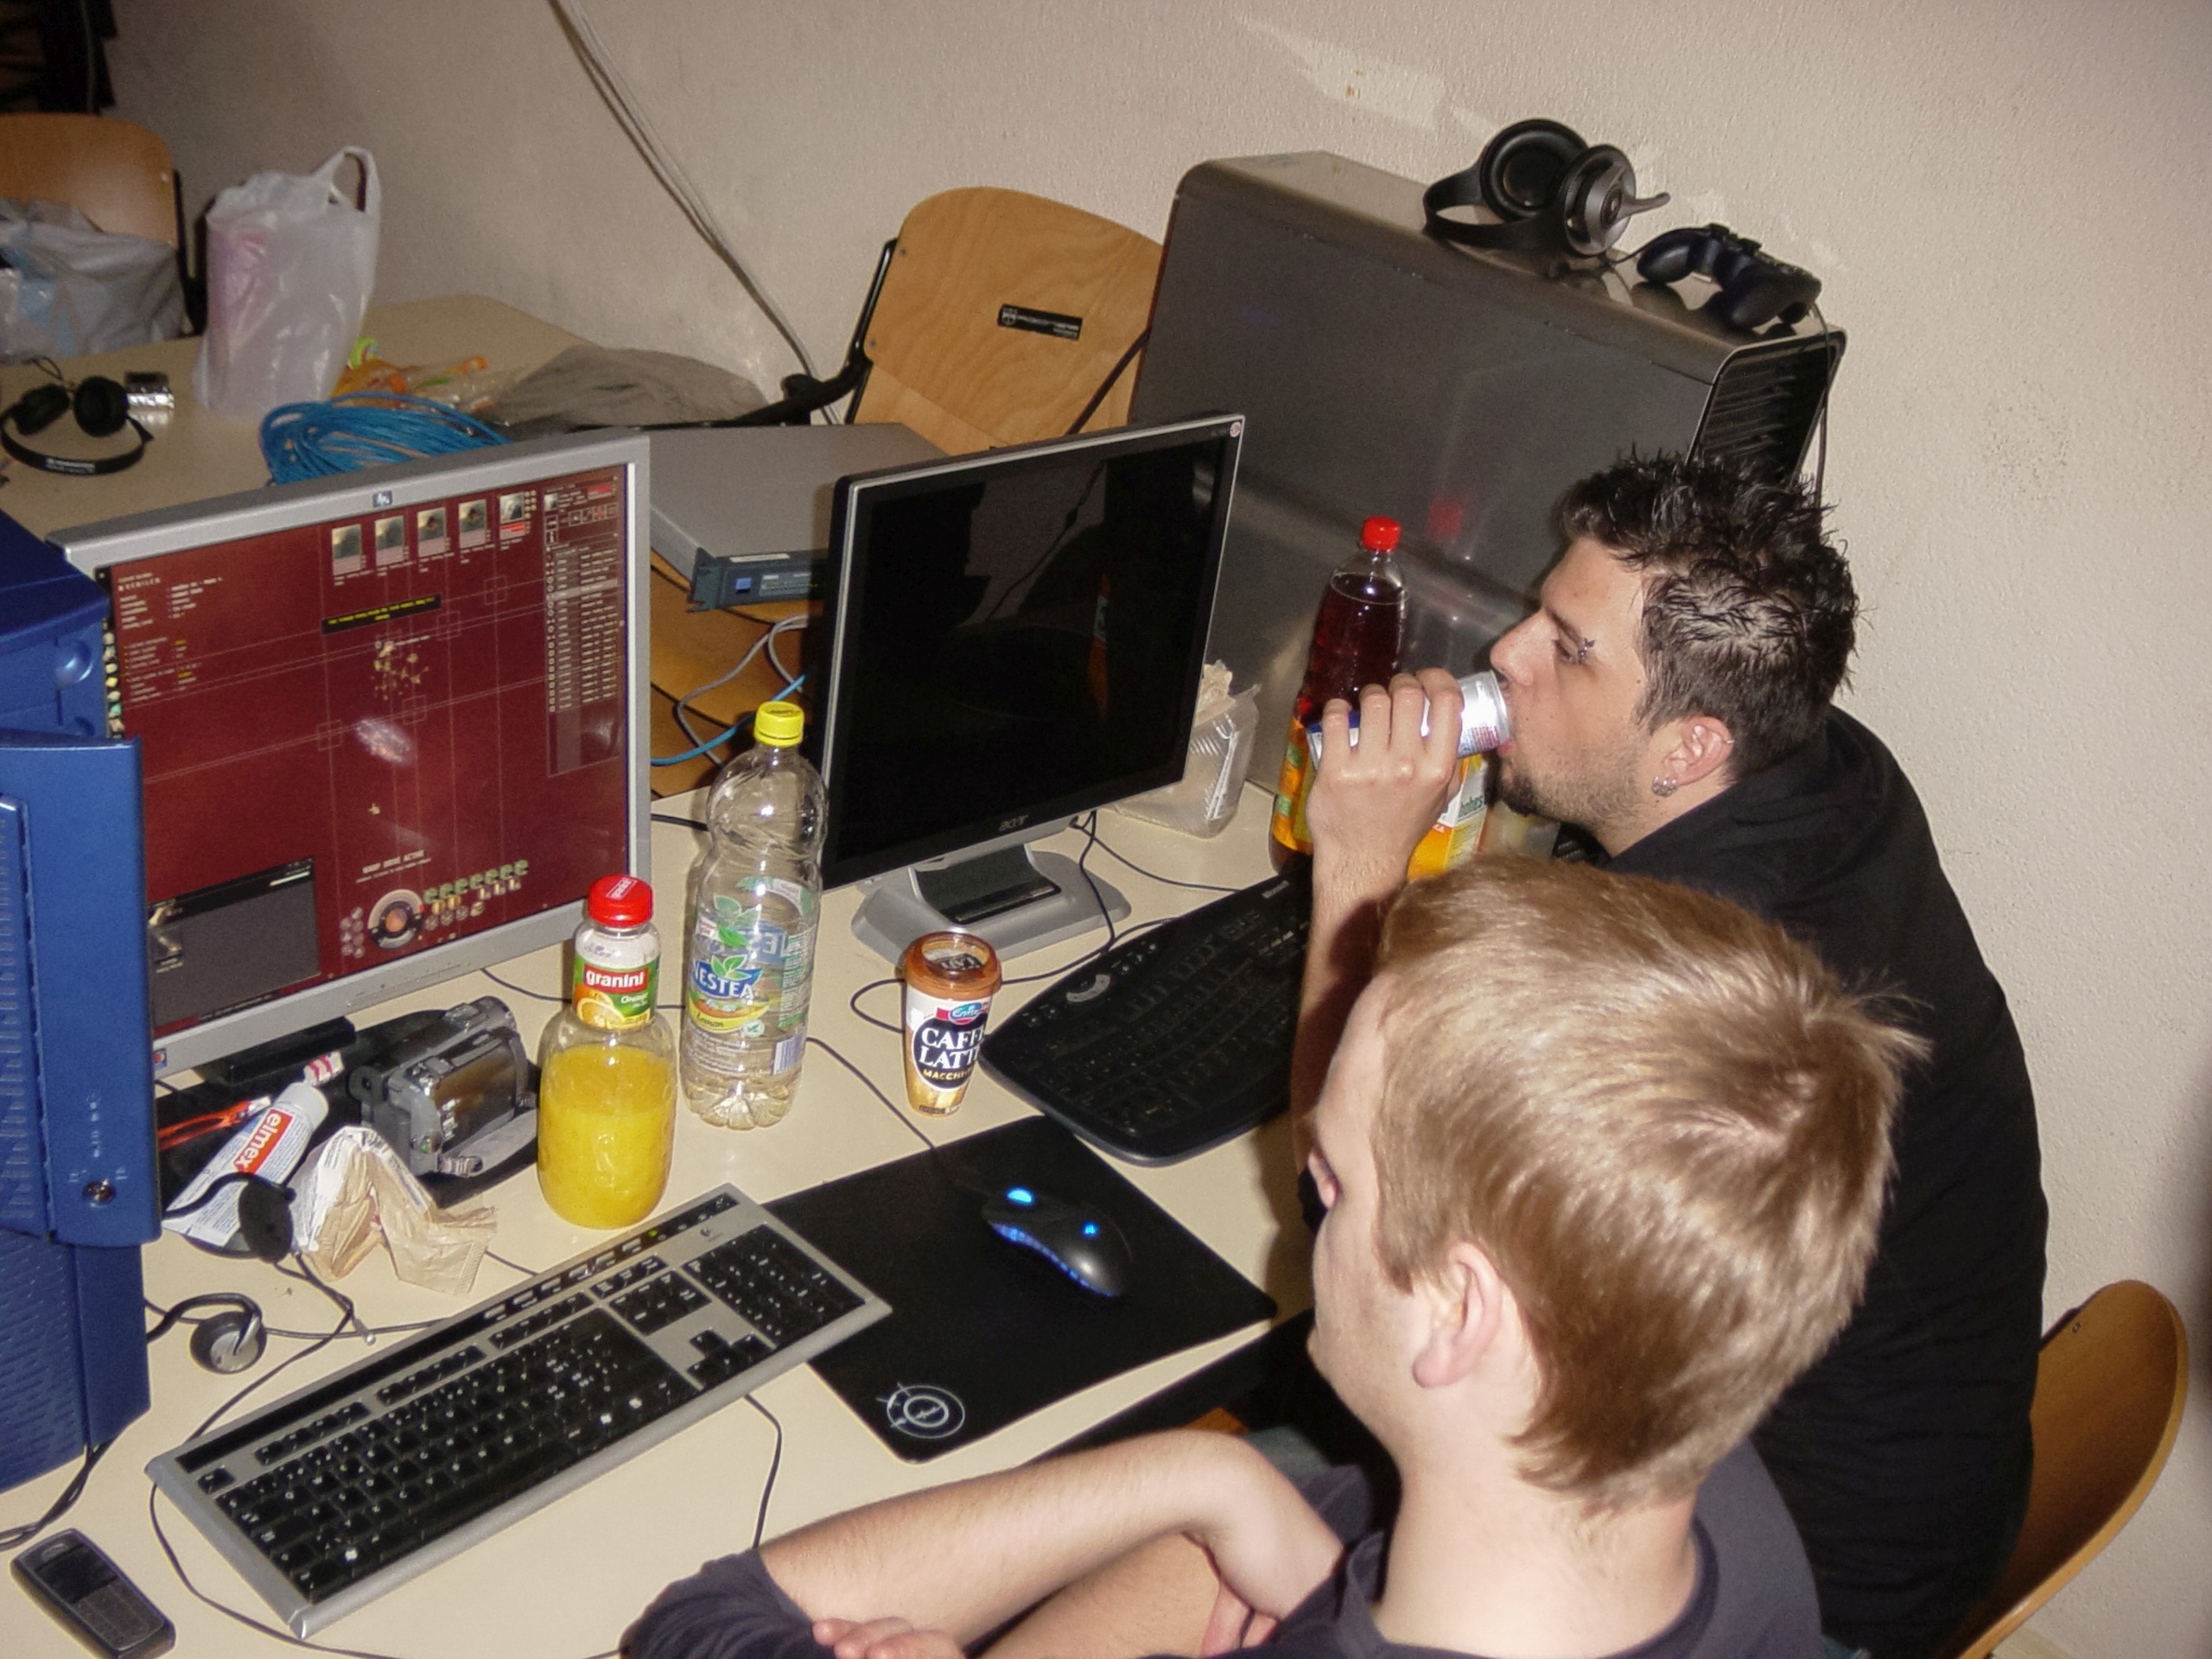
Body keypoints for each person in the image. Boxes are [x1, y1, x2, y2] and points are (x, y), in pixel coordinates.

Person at [624, 856, 1915, 1659]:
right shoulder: (1707, 1493)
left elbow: (699, 1629)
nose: (1304, 1202)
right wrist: (1220, 1479)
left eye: (1334, 1186)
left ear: (1459, 1312)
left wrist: (1188, 1474)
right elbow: (1276, 1565)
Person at [1295, 453, 2047, 1659]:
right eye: (1540, 613)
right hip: (1935, 1473)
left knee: (1297, 1423)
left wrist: (1357, 861)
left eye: (1568, 649)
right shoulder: (1828, 769)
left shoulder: (1700, 967)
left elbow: (1351, 1189)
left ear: (1691, 747)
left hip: (1795, 1567)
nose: (1507, 654)